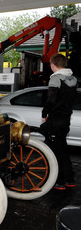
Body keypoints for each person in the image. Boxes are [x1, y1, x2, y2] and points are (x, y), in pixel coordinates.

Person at [41, 53, 77, 190]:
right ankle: (69, 179)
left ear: (53, 65)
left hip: (55, 119)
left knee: (55, 152)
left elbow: (51, 99)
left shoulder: (56, 79)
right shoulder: (73, 79)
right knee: (63, 149)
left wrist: (44, 113)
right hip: (66, 119)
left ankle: (59, 181)